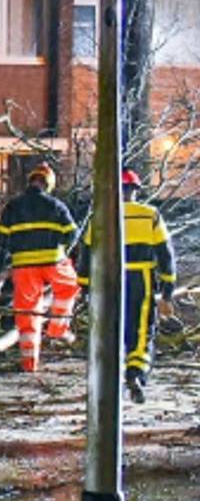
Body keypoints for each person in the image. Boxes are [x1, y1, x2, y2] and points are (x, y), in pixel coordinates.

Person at [76, 169, 177, 404]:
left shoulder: (99, 217)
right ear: (135, 191)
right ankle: (136, 374)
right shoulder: (150, 214)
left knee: (110, 331)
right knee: (141, 331)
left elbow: (86, 255)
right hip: (140, 278)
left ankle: (111, 380)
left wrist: (85, 288)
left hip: (108, 279)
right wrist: (167, 291)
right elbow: (166, 254)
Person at [0, 162, 80, 373]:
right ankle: (58, 329)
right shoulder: (56, 205)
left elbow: (1, 235)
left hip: (24, 265)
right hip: (52, 261)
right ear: (48, 183)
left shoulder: (13, 206)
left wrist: (16, 249)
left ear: (30, 180)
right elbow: (72, 234)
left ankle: (29, 363)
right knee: (69, 287)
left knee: (27, 311)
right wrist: (56, 243)